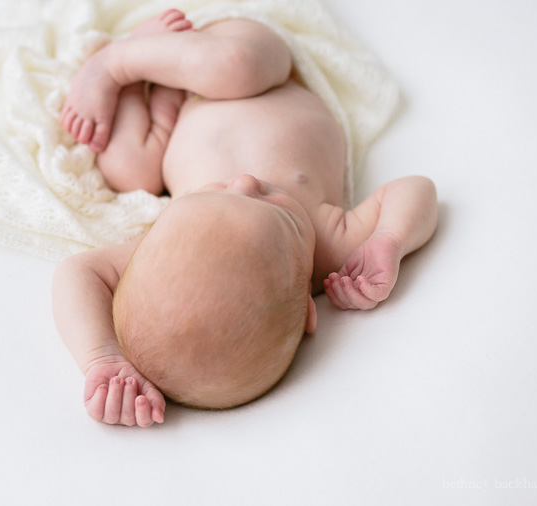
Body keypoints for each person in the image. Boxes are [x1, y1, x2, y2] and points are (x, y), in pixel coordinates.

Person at [52, 9, 437, 427]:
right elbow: (416, 189)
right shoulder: (329, 246)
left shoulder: (169, 259)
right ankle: (137, 65)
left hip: (206, 89)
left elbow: (76, 272)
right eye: (273, 206)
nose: (245, 181)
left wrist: (101, 357)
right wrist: (388, 241)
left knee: (125, 169)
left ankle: (120, 65)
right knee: (236, 68)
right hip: (264, 76)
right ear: (310, 309)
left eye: (212, 193)